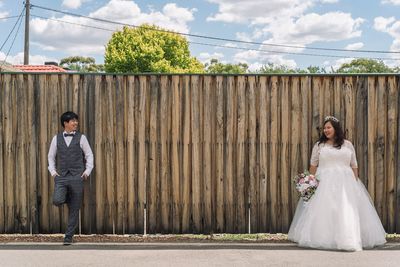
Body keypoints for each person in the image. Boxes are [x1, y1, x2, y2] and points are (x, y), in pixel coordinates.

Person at [288, 116, 386, 251]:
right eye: (324, 128)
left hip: (347, 183)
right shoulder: (319, 145)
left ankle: (348, 238)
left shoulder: (347, 144)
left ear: (336, 129)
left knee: (346, 209)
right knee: (326, 210)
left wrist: (355, 184)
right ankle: (325, 238)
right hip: (324, 183)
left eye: (329, 127)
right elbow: (313, 165)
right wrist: (310, 182)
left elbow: (354, 165)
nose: (326, 130)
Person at [48, 111, 94, 245]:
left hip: (77, 177)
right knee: (57, 200)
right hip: (61, 176)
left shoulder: (82, 137)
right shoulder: (56, 138)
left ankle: (68, 237)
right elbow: (50, 156)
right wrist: (53, 171)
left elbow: (89, 155)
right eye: (73, 121)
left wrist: (87, 172)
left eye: (76, 121)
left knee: (74, 208)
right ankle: (67, 197)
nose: (76, 123)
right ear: (65, 123)